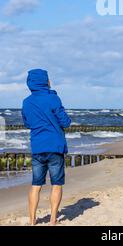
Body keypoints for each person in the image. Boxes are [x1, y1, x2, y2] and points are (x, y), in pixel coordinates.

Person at [22, 69, 71, 226]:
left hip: (37, 147)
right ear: (44, 81)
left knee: (36, 185)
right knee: (56, 183)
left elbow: (28, 123)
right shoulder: (53, 98)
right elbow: (65, 121)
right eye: (48, 79)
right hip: (55, 146)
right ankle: (52, 220)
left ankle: (32, 221)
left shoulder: (26, 102)